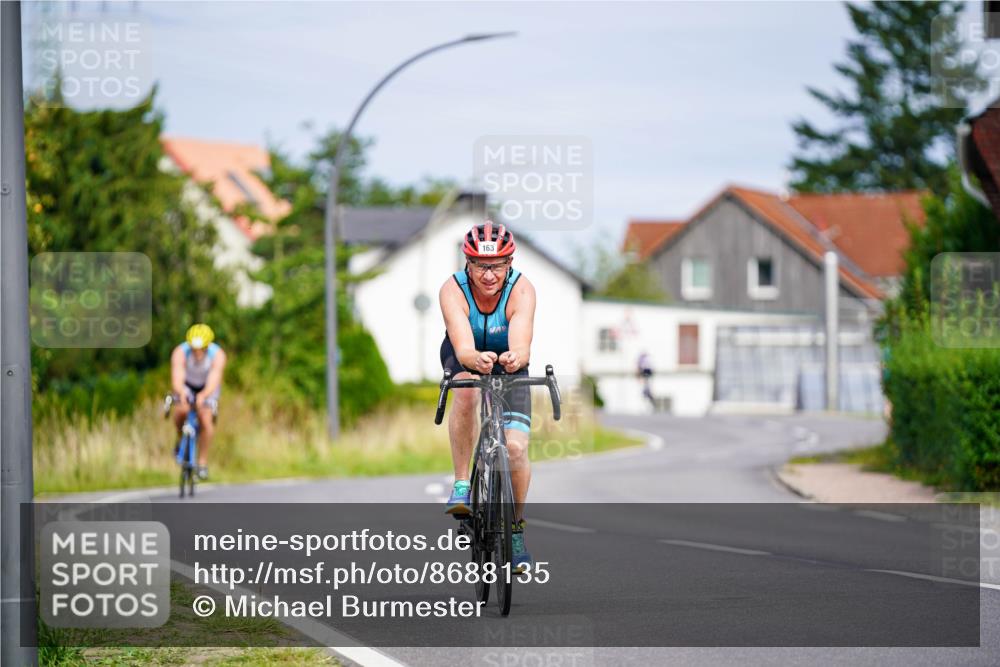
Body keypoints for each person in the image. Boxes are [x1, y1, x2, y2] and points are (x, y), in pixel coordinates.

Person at [439, 221, 537, 573]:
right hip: (464, 354)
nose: (489, 274)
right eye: (480, 265)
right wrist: (472, 359)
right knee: (465, 390)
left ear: (509, 263)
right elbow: (463, 344)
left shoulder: (522, 289)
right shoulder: (452, 290)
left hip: (509, 361)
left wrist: (516, 358)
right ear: (468, 263)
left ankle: (516, 530)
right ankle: (463, 484)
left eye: (496, 265)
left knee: (516, 449)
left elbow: (522, 343)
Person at [170, 323, 227, 480]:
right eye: (194, 349)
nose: (197, 352)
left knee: (205, 418)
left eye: (201, 349)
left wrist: (204, 395)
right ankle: (180, 438)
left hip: (208, 387)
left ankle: (202, 462)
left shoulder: (218, 355)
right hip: (187, 385)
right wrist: (181, 392)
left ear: (208, 346)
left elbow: (214, 379)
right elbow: (177, 378)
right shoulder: (180, 352)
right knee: (181, 410)